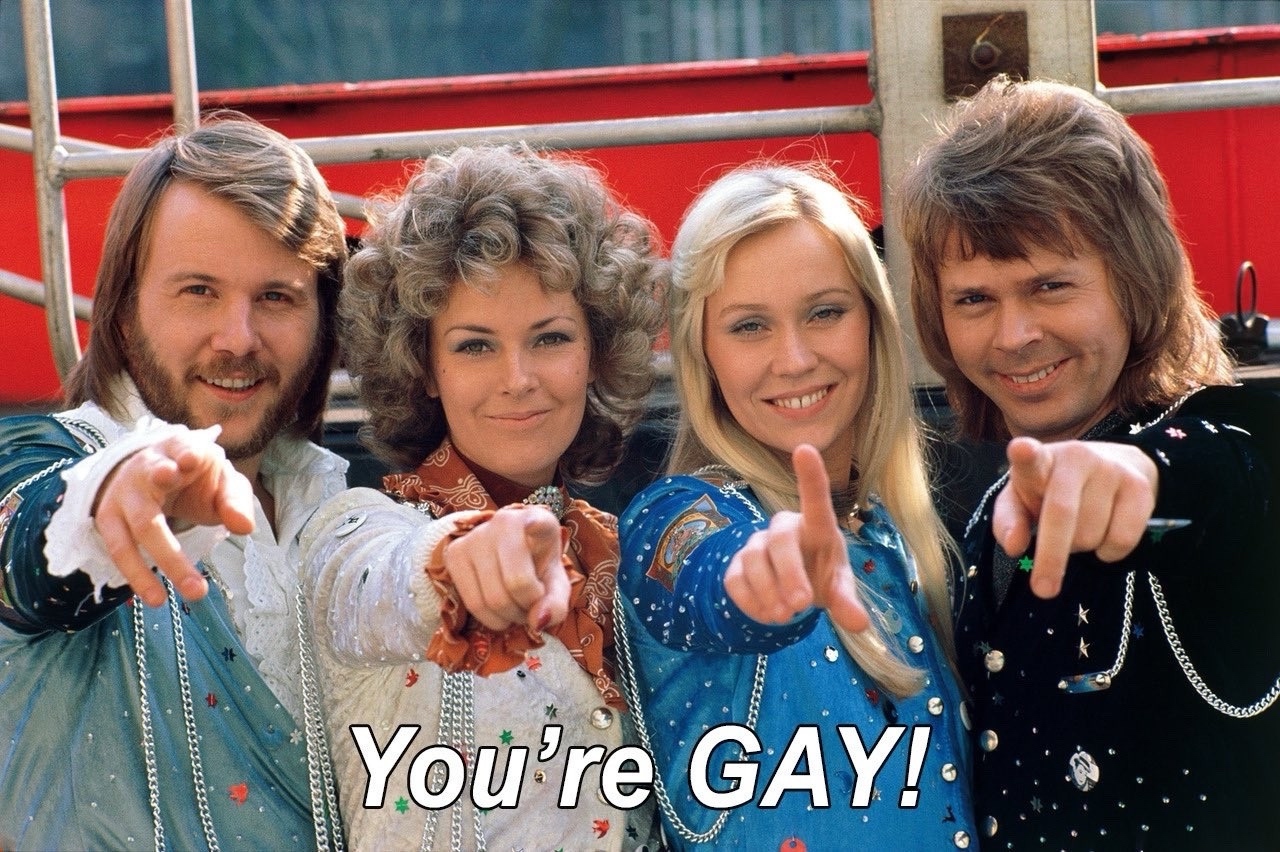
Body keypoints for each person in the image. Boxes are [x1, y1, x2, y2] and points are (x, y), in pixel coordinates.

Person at [900, 75, 1280, 849]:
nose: (1014, 335)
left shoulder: (1215, 447)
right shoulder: (990, 511)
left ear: (1135, 278)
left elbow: (1227, 486)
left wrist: (1140, 479)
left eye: (1050, 286)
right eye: (974, 299)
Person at [299, 144, 665, 851]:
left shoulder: (621, 555)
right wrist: (461, 557)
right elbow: (373, 582)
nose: (518, 377)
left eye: (550, 338)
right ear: (424, 365)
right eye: (475, 346)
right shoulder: (358, 529)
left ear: (594, 352)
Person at [0, 115, 349, 850]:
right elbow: (26, 543)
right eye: (198, 291)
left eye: (276, 297)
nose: (238, 338)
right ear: (124, 316)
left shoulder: (342, 511)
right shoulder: (46, 457)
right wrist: (111, 492)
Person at [615, 163, 977, 850]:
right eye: (750, 326)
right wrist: (758, 583)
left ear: (872, 322)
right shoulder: (676, 513)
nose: (795, 358)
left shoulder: (893, 532)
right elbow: (702, 574)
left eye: (824, 312)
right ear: (702, 353)